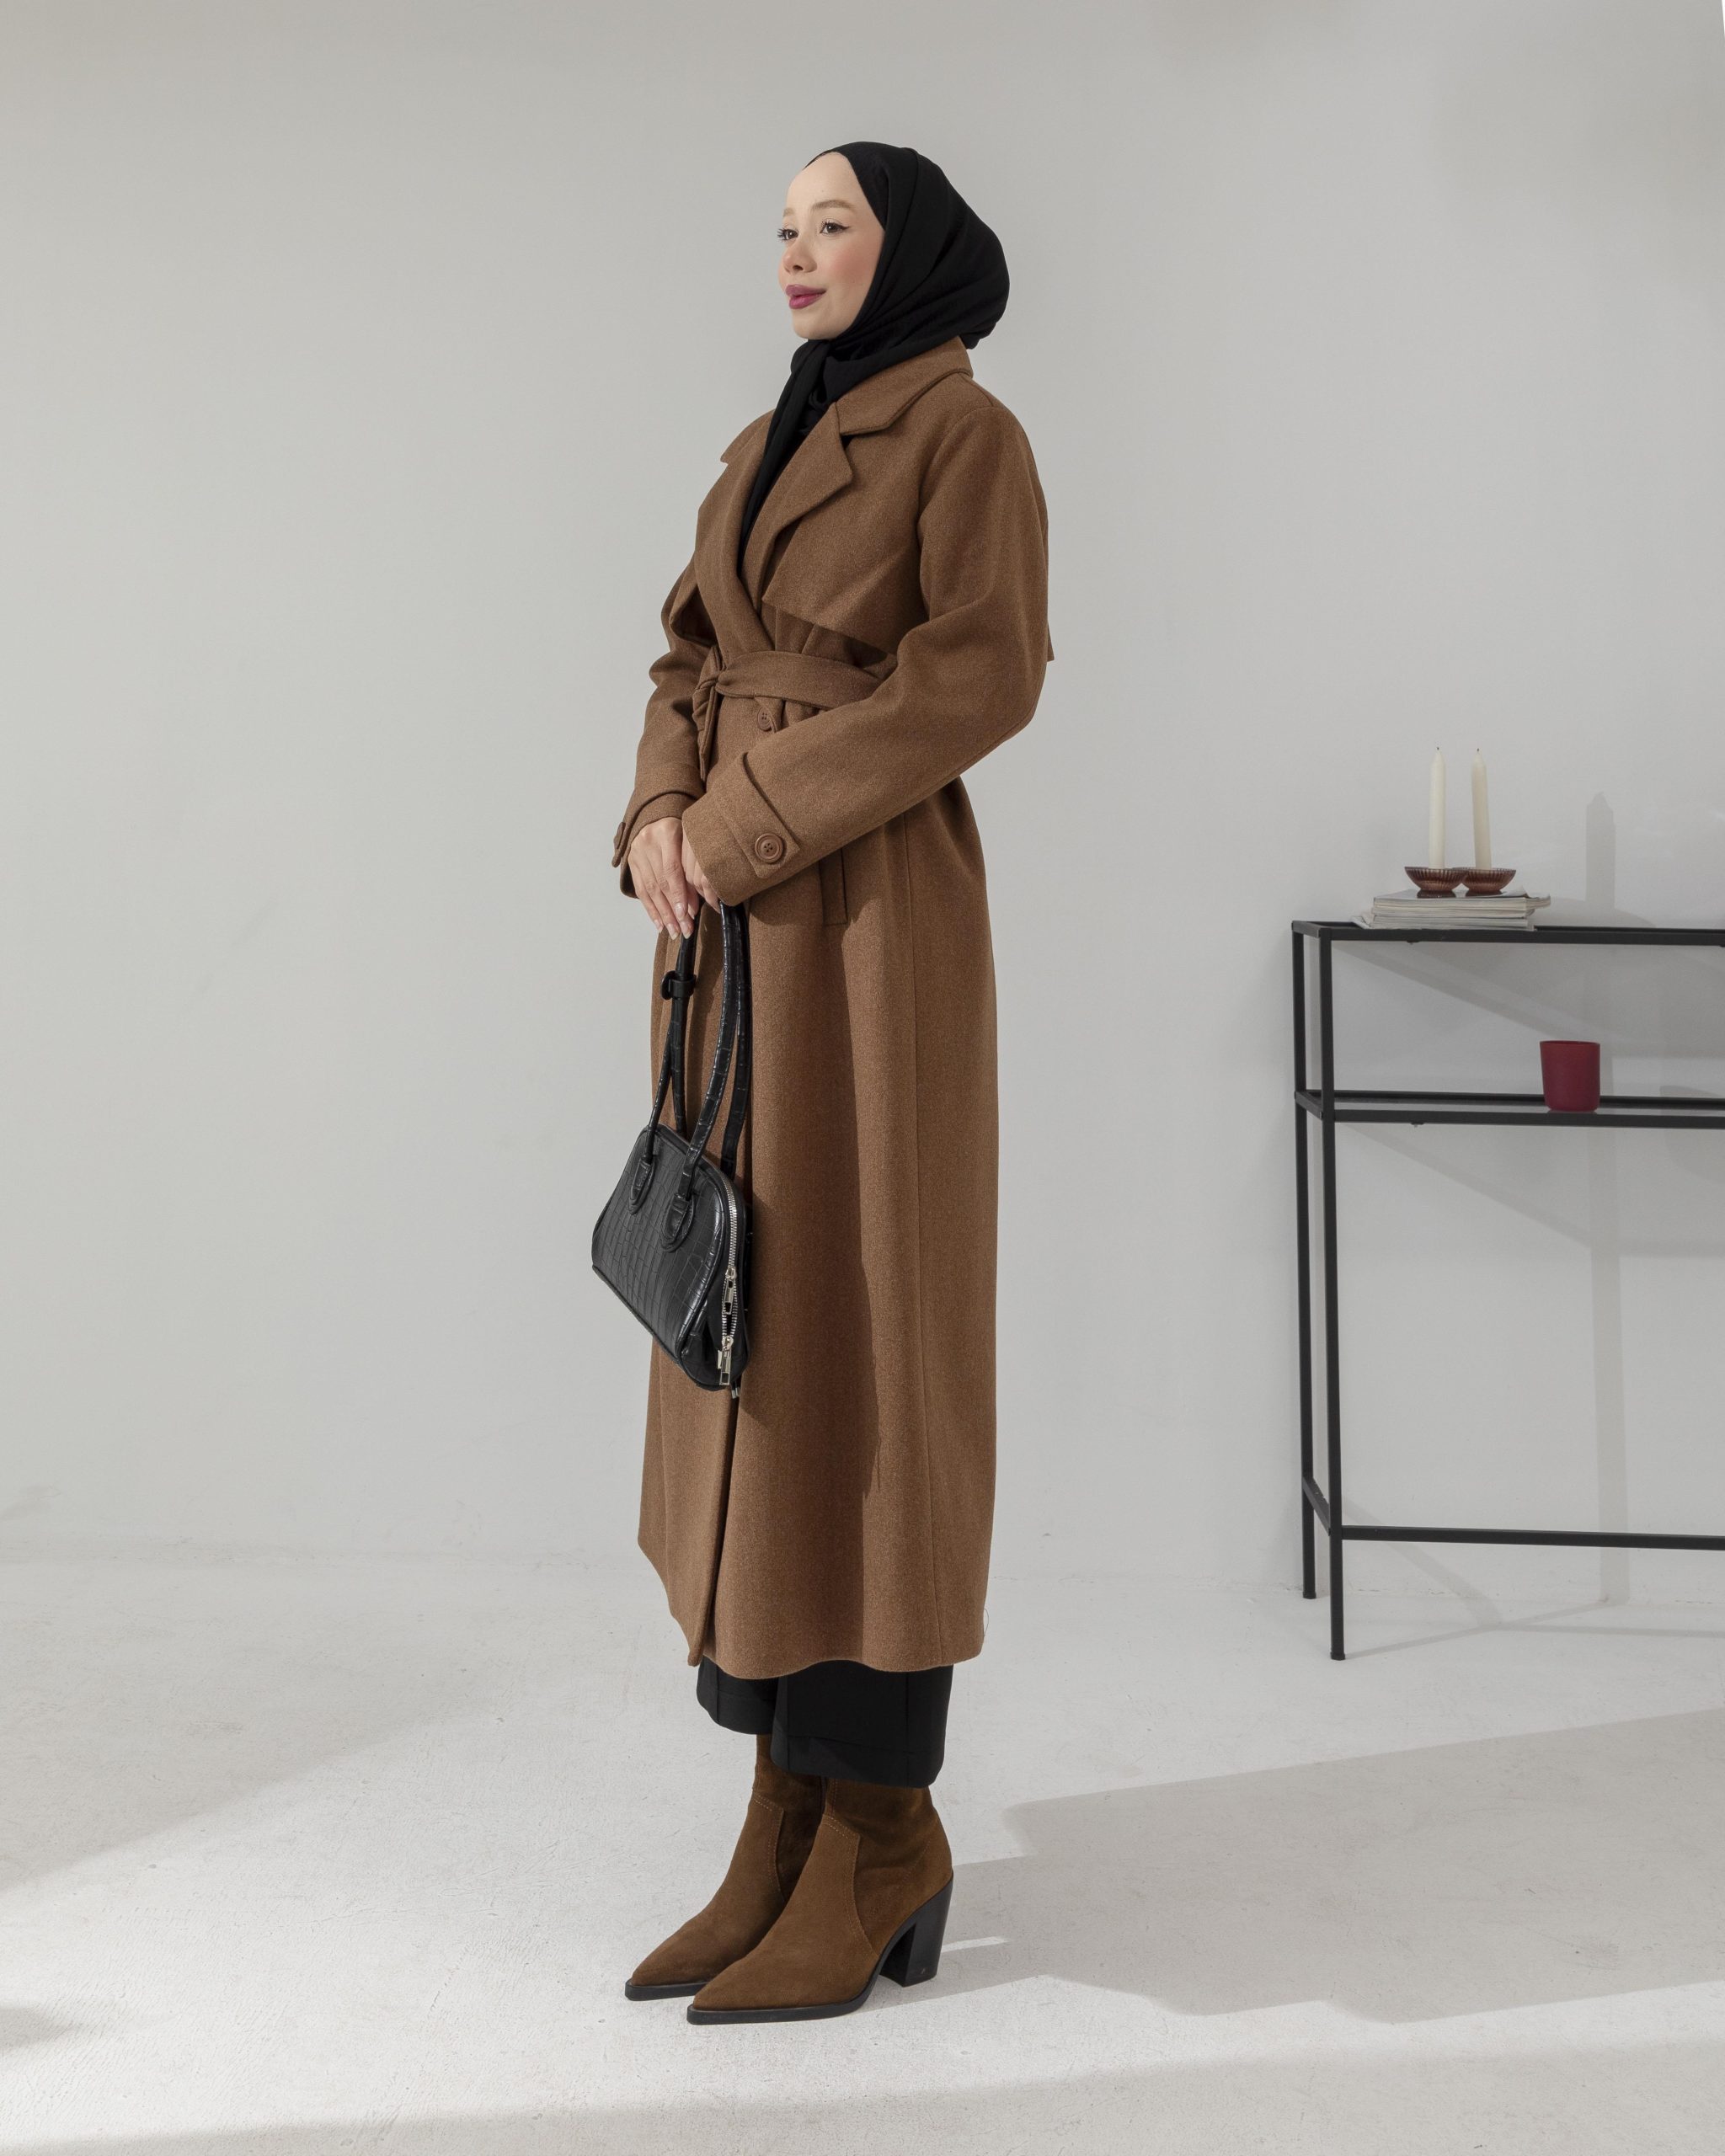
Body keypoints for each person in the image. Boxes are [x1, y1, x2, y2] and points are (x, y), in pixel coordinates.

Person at [608, 140, 1052, 2024]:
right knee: (751, 1332)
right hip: (729, 935)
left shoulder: (967, 438)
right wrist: (655, 811)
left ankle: (880, 1826)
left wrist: (740, 821)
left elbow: (980, 676)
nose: (795, 253)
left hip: (866, 935)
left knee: (868, 1336)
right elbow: (685, 650)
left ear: (912, 249)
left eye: (833, 225)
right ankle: (784, 1803)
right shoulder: (760, 442)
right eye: (782, 229)